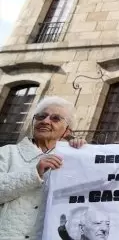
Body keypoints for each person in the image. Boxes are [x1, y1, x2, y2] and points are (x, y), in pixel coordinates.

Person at [0, 96, 86, 238]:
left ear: (67, 131)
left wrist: (85, 155)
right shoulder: (7, 152)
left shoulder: (71, 159)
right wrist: (35, 173)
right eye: (41, 116)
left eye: (55, 118)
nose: (45, 121)